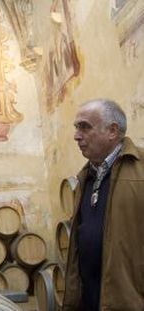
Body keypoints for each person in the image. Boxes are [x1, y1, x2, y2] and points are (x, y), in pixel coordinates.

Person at [63, 99, 144, 310]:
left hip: (128, 302)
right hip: (90, 300)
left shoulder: (140, 169)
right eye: (76, 128)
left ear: (112, 131)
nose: (76, 136)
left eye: (85, 127)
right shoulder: (85, 177)